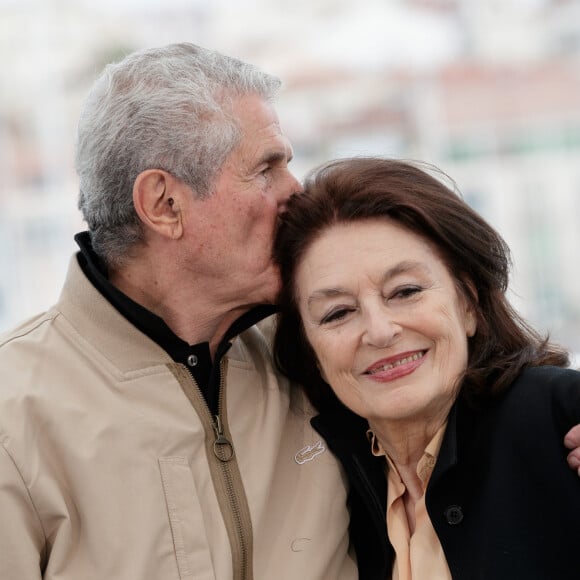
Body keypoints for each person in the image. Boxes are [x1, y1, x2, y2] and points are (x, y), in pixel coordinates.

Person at [0, 43, 358, 579]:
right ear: (164, 205)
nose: (295, 190)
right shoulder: (14, 418)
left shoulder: (325, 344)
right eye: (267, 168)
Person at [273, 157, 580, 580]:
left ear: (468, 303)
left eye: (405, 291)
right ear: (311, 354)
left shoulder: (561, 421)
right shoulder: (340, 496)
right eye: (337, 313)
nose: (379, 331)